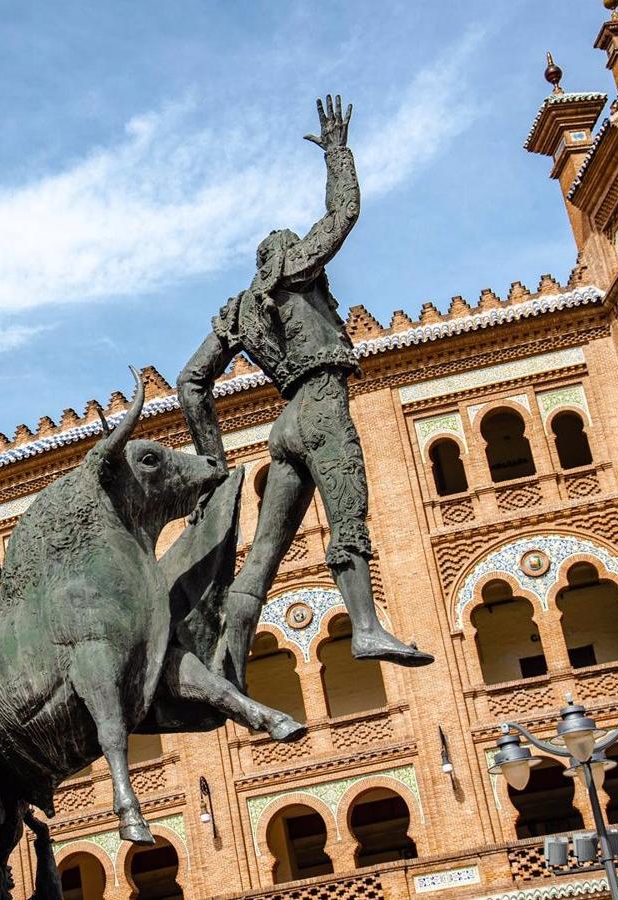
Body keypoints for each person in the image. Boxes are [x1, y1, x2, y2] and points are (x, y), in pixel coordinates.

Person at [177, 95, 432, 667]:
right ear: (289, 255)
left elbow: (191, 382)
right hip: (320, 405)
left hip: (284, 424)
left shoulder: (239, 310)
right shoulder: (293, 268)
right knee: (347, 513)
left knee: (266, 551)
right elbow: (342, 217)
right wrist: (338, 153)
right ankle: (365, 626)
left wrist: (212, 466)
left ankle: (229, 656)